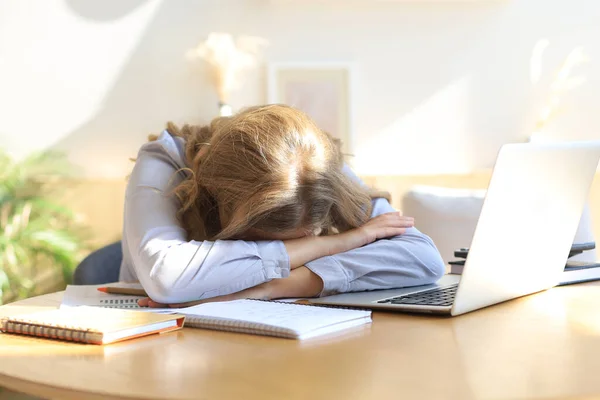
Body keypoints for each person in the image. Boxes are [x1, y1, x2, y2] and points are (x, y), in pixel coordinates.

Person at [120, 104, 445, 308]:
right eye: (259, 240)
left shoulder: (312, 165)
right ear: (212, 194)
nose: (297, 249)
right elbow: (167, 276)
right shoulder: (165, 159)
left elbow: (425, 259)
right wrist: (335, 243)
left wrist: (272, 287)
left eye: (303, 238)